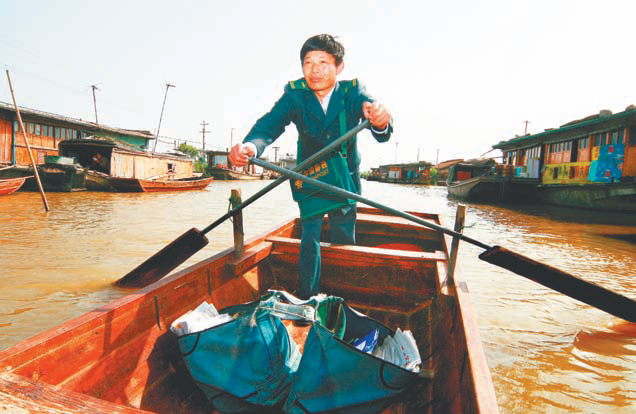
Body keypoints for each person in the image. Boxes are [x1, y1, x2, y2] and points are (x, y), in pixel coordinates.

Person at [229, 34, 392, 299]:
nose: (315, 70)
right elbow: (270, 124)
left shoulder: (352, 92)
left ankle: (341, 296)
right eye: (308, 62)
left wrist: (380, 120)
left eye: (323, 62)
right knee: (310, 235)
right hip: (311, 175)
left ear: (339, 67)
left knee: (343, 235)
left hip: (344, 177)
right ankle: (308, 297)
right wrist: (250, 146)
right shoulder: (295, 95)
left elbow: (373, 113)